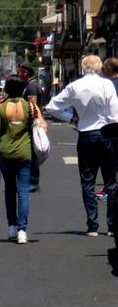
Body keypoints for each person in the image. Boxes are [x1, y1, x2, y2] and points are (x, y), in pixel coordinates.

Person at [45, 54, 118, 237]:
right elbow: (114, 114)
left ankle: (92, 225)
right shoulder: (106, 84)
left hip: (86, 135)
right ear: (100, 68)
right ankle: (111, 225)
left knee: (87, 181)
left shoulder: (74, 86)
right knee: (111, 181)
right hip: (107, 134)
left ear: (83, 67)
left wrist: (71, 118)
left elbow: (52, 107)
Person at [0, 75, 47, 244]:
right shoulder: (31, 107)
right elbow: (43, 127)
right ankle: (22, 231)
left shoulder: (0, 108)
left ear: (6, 90)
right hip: (25, 154)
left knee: (10, 191)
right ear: (23, 90)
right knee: (24, 191)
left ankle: (11, 227)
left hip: (6, 154)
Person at [18, 61, 42, 192]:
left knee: (33, 153)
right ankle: (31, 180)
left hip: (32, 124)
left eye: (20, 71)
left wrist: (31, 123)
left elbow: (33, 107)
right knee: (31, 153)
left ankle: (34, 181)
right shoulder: (29, 85)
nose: (19, 73)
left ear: (26, 72)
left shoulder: (31, 87)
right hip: (31, 124)